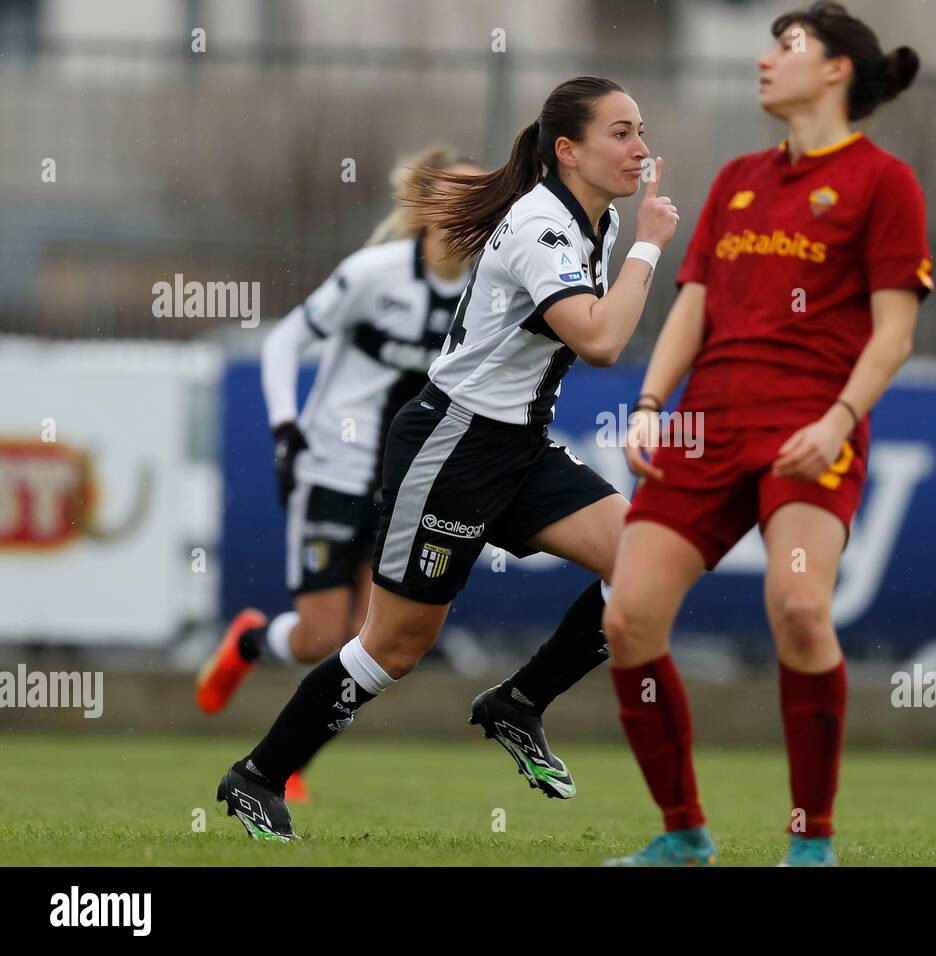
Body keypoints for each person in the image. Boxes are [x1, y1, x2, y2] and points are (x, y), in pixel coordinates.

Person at [214, 75, 679, 840]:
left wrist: (635, 244)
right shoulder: (544, 228)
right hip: (452, 445)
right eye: (621, 133)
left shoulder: (593, 220)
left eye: (641, 130)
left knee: (644, 566)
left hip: (517, 446)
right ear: (568, 150)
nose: (640, 148)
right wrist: (651, 248)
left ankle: (519, 702)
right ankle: (258, 776)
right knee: (395, 645)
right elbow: (599, 340)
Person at [602, 1, 932, 866]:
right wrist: (649, 405)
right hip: (708, 425)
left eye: (787, 47)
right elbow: (695, 306)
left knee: (795, 606)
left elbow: (894, 334)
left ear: (836, 72)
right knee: (629, 620)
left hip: (811, 427)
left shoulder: (883, 182)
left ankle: (811, 842)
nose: (764, 61)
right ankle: (682, 833)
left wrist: (839, 420)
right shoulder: (739, 178)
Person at [195, 145, 480, 800]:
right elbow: (284, 339)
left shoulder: (485, 291)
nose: (475, 212)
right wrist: (285, 426)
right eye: (461, 196)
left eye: (483, 199)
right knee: (320, 634)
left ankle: (285, 763)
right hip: (334, 464)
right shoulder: (374, 274)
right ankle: (250, 641)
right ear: (428, 205)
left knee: (368, 642)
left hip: (406, 481)